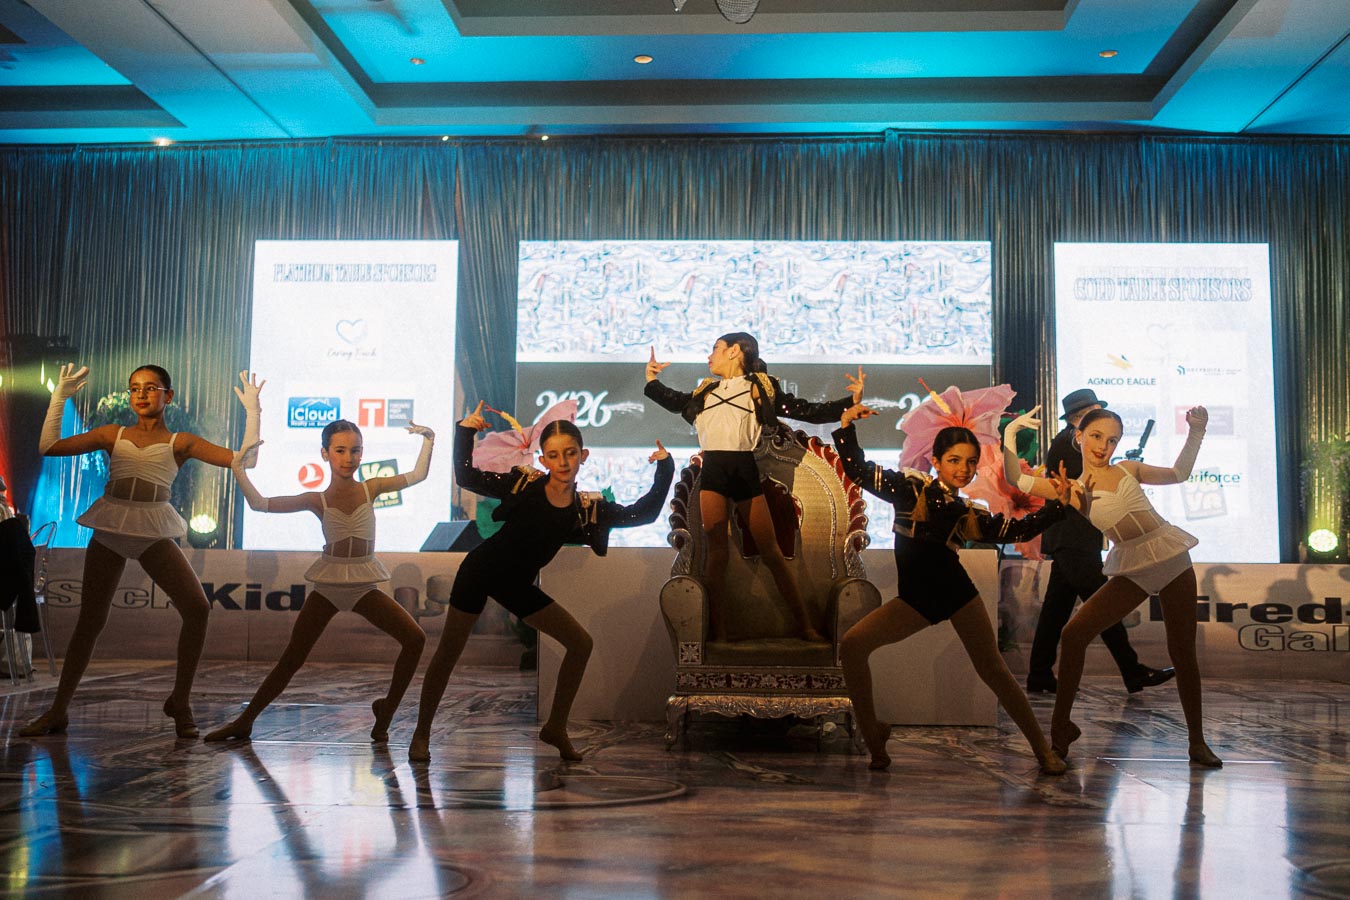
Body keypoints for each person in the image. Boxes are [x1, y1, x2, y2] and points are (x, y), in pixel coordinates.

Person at [409, 404, 674, 763]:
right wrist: (464, 432)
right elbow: (467, 477)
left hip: (516, 585)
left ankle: (556, 727)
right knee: (447, 655)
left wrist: (665, 467)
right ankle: (421, 734)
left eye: (569, 454)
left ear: (583, 456)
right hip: (482, 570)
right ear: (543, 459)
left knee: (580, 643)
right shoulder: (525, 484)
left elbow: (642, 513)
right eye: (553, 455)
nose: (562, 462)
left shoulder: (586, 508)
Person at [833, 402, 1076, 775]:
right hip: (915, 601)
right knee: (852, 646)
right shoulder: (909, 487)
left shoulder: (967, 511)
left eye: (970, 462)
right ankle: (873, 732)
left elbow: (1016, 531)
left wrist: (1058, 506)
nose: (963, 469)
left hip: (956, 594)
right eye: (954, 460)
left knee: (993, 669)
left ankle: (1043, 750)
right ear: (936, 459)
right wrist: (847, 426)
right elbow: (858, 470)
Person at [20, 365, 260, 738]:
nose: (142, 395)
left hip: (151, 527)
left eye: (151, 388)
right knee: (90, 620)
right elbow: (48, 447)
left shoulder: (181, 442)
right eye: (135, 389)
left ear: (169, 395)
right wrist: (59, 397)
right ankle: (58, 710)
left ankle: (179, 701)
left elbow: (245, 460)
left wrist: (254, 411)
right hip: (112, 523)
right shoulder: (111, 434)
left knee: (197, 608)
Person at [1004, 404, 1222, 767]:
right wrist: (1011, 434)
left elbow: (1180, 473)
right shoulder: (1073, 489)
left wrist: (1196, 430)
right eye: (1095, 436)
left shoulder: (1128, 469)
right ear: (1078, 436)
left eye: (1112, 440)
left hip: (1170, 557)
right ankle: (1061, 729)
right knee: (1074, 634)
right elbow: (1017, 479)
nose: (1103, 446)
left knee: (1183, 653)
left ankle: (1197, 743)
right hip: (1134, 564)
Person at [204, 414, 432, 744]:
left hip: (363, 585)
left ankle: (386, 709)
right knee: (292, 658)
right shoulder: (316, 499)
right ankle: (245, 720)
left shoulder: (372, 488)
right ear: (324, 454)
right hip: (329, 587)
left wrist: (428, 440)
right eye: (340, 451)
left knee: (415, 639)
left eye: (355, 451)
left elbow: (418, 475)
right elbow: (259, 504)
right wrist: (238, 469)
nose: (348, 458)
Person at [645, 333, 863, 641]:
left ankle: (804, 626)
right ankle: (717, 629)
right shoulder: (706, 390)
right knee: (716, 553)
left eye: (715, 349)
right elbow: (675, 401)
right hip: (714, 472)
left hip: (744, 469)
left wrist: (847, 404)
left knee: (771, 551)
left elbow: (803, 409)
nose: (709, 356)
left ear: (734, 352)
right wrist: (652, 381)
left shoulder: (760, 386)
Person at [1025, 388, 1174, 695]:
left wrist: (1121, 466)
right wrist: (1123, 470)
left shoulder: (1070, 440)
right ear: (1079, 418)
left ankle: (1039, 674)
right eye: (1093, 412)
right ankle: (1132, 672)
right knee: (1103, 607)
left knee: (1056, 611)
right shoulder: (1069, 442)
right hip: (1074, 538)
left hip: (1073, 538)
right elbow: (1090, 482)